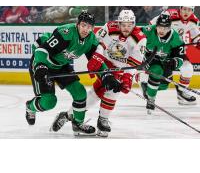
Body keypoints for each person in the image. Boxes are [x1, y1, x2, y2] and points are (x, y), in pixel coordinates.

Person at [51, 9, 146, 137]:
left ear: (134, 24)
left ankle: (68, 115)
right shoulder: (109, 28)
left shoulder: (140, 38)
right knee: (112, 89)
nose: (126, 28)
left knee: (97, 92)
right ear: (119, 23)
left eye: (129, 25)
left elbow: (134, 62)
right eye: (123, 25)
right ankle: (103, 120)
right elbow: (98, 44)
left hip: (120, 68)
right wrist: (97, 57)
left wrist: (128, 77)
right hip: (104, 64)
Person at [25, 11, 121, 136]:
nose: (85, 29)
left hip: (61, 65)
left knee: (80, 92)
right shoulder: (66, 33)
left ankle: (77, 124)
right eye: (83, 25)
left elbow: (96, 61)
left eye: (89, 26)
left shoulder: (91, 40)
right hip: (43, 63)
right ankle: (30, 107)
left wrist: (107, 76)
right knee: (49, 102)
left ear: (92, 28)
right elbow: (42, 50)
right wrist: (39, 66)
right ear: (77, 24)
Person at [150, 6, 200, 105]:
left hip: (176, 50)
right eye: (184, 9)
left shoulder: (194, 20)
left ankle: (182, 93)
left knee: (188, 68)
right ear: (180, 8)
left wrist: (198, 42)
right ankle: (146, 87)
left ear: (192, 11)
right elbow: (151, 25)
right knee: (159, 75)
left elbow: (195, 37)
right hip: (161, 48)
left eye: (189, 10)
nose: (186, 12)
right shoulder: (169, 14)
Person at [141, 13, 185, 114]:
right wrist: (141, 58)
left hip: (165, 62)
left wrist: (174, 62)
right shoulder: (148, 31)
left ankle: (147, 88)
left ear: (170, 28)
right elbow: (134, 39)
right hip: (150, 59)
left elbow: (180, 58)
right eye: (160, 27)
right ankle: (151, 99)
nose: (162, 30)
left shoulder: (176, 38)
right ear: (156, 26)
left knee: (164, 86)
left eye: (165, 28)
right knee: (156, 71)